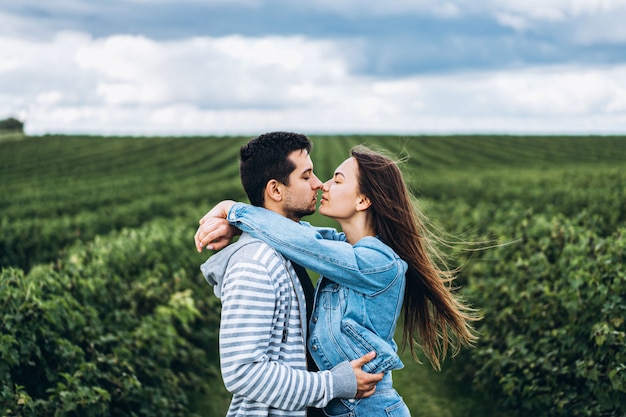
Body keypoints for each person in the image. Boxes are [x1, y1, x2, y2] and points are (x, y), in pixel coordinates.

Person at [196, 144, 480, 416]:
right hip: (344, 407)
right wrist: (237, 224)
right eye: (309, 176)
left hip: (367, 410)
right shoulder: (348, 252)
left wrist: (234, 211)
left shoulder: (377, 264)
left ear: (363, 200)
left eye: (337, 180)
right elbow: (306, 237)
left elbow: (306, 243)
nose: (323, 185)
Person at [198, 132, 383, 417]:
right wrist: (333, 383)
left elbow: (327, 243)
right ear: (275, 190)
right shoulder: (254, 264)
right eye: (307, 176)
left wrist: (236, 217)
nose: (319, 184)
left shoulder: (291, 247)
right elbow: (242, 373)